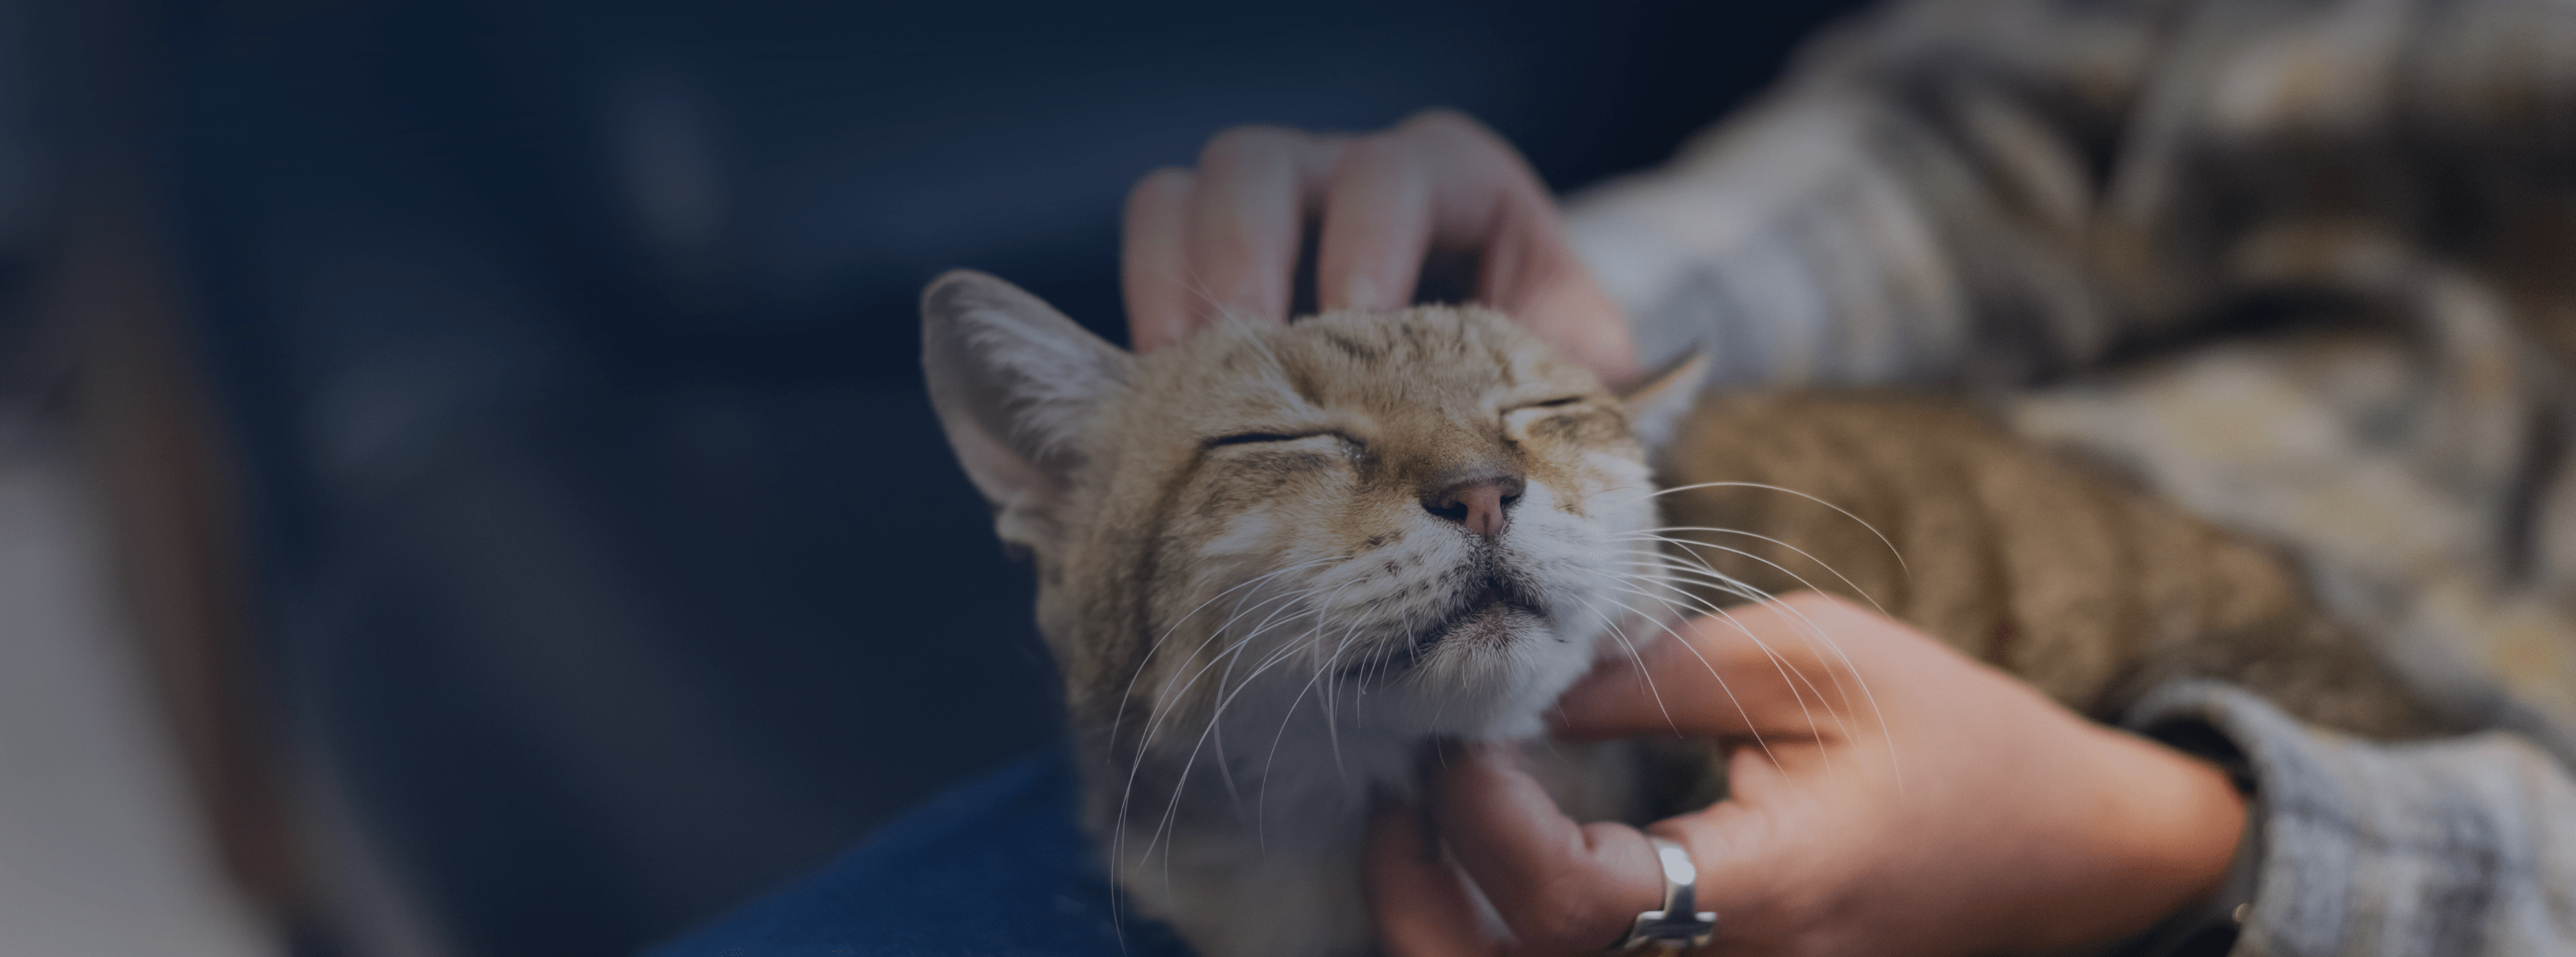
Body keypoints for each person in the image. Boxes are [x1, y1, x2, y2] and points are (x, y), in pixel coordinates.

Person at [1116, 0, 2576, 952]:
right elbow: (1992, 144)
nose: (1471, 482)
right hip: (2028, 485)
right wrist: (1526, 334)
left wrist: (2195, 842)